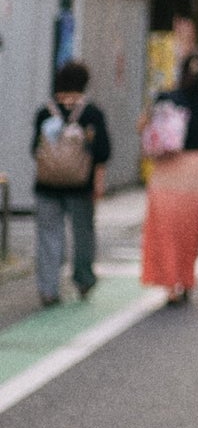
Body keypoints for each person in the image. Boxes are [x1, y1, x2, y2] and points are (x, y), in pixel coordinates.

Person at [140, 51, 198, 307]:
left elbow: (141, 125)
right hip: (193, 170)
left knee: (163, 229)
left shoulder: (165, 98)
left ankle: (169, 286)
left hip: (165, 169)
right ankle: (185, 278)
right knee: (190, 229)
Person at [30, 60, 112, 308]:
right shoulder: (91, 113)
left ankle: (48, 289)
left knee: (48, 236)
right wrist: (98, 184)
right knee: (83, 234)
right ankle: (84, 279)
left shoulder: (45, 112)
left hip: (47, 185)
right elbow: (102, 152)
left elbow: (35, 149)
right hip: (80, 186)